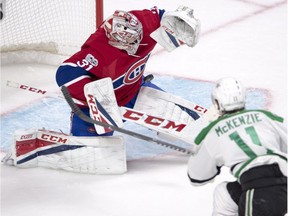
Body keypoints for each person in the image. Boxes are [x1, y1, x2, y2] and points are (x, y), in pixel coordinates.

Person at [55, 6, 201, 137]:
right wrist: (100, 99)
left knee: (193, 123)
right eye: (126, 42)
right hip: (101, 105)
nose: (133, 45)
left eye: (134, 39)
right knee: (94, 155)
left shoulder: (145, 24)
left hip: (133, 90)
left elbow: (163, 18)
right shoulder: (98, 50)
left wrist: (181, 22)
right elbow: (65, 72)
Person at [187, 77, 287, 216]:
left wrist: (201, 156)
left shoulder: (214, 131)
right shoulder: (265, 116)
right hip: (283, 177)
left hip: (261, 188)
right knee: (224, 195)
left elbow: (197, 176)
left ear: (217, 102)